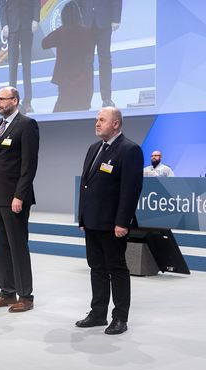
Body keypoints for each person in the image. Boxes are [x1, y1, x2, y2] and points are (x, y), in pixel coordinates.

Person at [77, 106, 143, 335]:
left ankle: (120, 318)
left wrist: (122, 222)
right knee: (96, 268)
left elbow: (130, 190)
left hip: (113, 224)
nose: (97, 123)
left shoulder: (130, 150)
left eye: (102, 120)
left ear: (116, 124)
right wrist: (82, 217)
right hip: (92, 221)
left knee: (117, 269)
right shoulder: (94, 148)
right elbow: (85, 186)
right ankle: (97, 313)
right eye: (96, 119)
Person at [0, 86, 39, 312]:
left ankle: (25, 296)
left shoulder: (26, 125)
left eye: (2, 99)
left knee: (17, 246)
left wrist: (19, 195)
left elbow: (29, 165)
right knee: (1, 247)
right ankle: (7, 292)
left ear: (15, 100)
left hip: (14, 198)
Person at [41, 0, 94, 112]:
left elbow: (44, 44)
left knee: (59, 116)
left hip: (65, 82)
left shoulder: (61, 32)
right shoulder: (88, 33)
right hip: (83, 81)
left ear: (63, 16)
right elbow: (90, 51)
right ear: (79, 16)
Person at [77, 0, 122, 107]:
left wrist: (116, 18)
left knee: (105, 60)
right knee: (87, 62)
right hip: (85, 23)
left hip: (104, 21)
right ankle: (85, 98)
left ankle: (106, 98)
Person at [0, 0, 40, 114]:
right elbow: (2, 5)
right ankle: (12, 102)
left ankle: (27, 102)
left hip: (27, 25)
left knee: (26, 65)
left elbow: (36, 3)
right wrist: (4, 24)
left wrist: (36, 19)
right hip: (12, 27)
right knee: (12, 66)